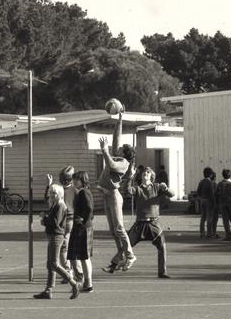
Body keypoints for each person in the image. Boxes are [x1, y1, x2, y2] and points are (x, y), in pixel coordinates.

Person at [98, 112, 137, 273]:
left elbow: (112, 166)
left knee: (119, 228)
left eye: (120, 149)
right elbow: (116, 140)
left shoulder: (124, 163)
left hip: (114, 196)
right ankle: (119, 257)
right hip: (107, 195)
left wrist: (104, 150)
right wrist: (119, 122)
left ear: (124, 154)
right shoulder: (118, 157)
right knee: (113, 231)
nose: (118, 149)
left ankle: (130, 255)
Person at [34, 184, 80, 300]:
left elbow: (55, 222)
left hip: (57, 236)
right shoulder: (55, 205)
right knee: (50, 264)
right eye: (51, 192)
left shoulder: (60, 205)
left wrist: (44, 219)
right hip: (53, 235)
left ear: (59, 194)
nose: (51, 195)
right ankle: (48, 289)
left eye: (54, 193)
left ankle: (74, 283)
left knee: (54, 264)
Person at [126, 167, 174, 278]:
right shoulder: (138, 189)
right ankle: (115, 264)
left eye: (148, 172)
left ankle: (162, 272)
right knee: (126, 244)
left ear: (151, 176)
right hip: (140, 224)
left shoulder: (157, 187)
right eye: (144, 172)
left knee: (162, 246)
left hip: (153, 224)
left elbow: (172, 194)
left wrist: (166, 188)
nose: (145, 174)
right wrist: (130, 176)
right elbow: (127, 190)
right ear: (141, 176)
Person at [45, 166, 82, 283]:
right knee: (69, 247)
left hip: (64, 220)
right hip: (71, 220)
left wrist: (49, 185)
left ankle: (69, 272)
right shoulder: (75, 191)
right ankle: (74, 271)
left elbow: (48, 200)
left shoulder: (58, 190)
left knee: (63, 248)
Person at [67, 171, 95, 292]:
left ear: (83, 180)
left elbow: (89, 208)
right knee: (81, 256)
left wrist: (82, 220)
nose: (74, 182)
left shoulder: (84, 192)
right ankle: (86, 282)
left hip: (83, 228)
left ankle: (88, 284)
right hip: (83, 226)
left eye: (76, 180)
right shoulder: (82, 192)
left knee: (84, 257)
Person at [196, 167, 215, 238]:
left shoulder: (201, 182)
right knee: (209, 217)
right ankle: (209, 233)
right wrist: (213, 202)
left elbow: (198, 191)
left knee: (203, 217)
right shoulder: (210, 182)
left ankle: (202, 232)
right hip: (209, 201)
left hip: (202, 200)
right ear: (210, 175)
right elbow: (211, 194)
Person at [210, 172, 220, 237]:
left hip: (209, 202)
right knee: (215, 219)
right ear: (215, 177)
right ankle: (214, 232)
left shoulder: (209, 184)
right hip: (215, 203)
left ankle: (209, 232)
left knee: (210, 218)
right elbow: (218, 194)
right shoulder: (216, 185)